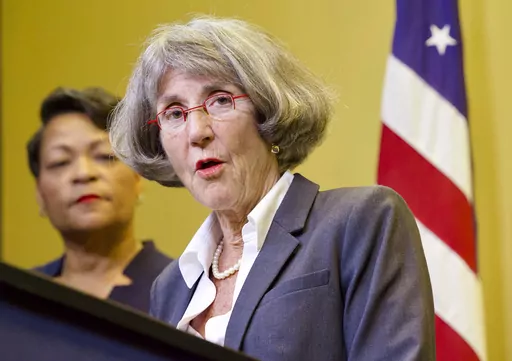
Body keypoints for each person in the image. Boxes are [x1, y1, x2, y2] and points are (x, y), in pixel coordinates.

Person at [109, 16, 436, 360]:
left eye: (220, 100)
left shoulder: (361, 221)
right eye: (174, 112)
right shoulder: (171, 286)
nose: (196, 132)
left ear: (268, 112)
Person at [27, 87, 173, 314]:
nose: (84, 173)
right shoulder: (18, 302)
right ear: (40, 194)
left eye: (104, 156)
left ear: (137, 177)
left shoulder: (183, 294)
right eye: (60, 162)